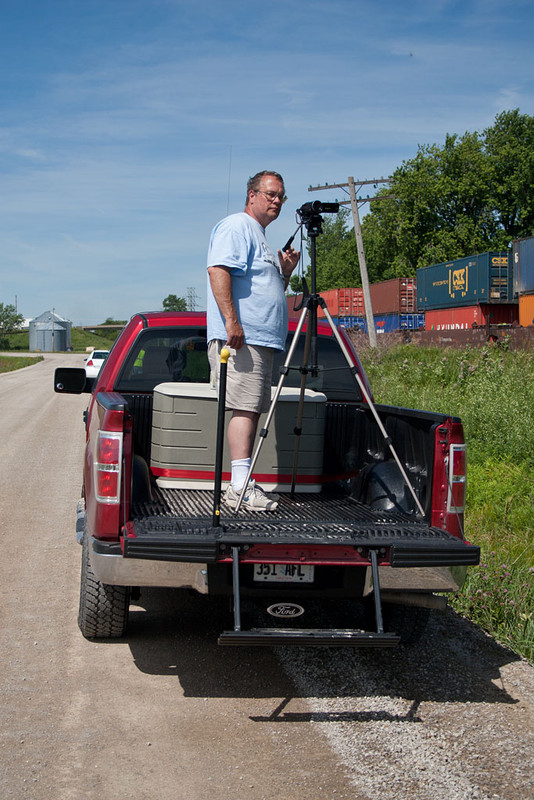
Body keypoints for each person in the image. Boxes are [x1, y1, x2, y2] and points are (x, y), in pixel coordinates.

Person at [207, 170, 300, 510]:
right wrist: (232, 321)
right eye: (271, 194)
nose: (276, 201)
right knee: (246, 407)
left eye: (281, 197)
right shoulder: (236, 226)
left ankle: (242, 481)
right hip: (242, 340)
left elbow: (266, 291)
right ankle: (239, 487)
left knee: (253, 408)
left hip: (261, 340)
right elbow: (218, 271)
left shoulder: (259, 236)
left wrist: (285, 272)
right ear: (252, 195)